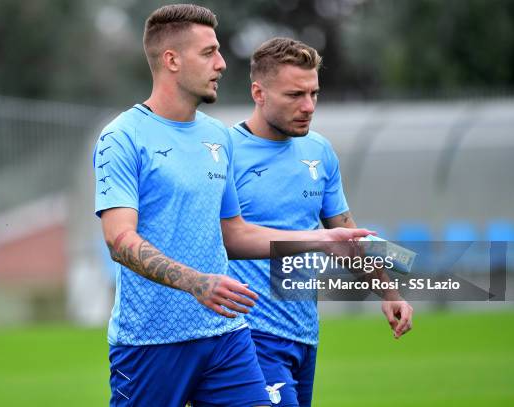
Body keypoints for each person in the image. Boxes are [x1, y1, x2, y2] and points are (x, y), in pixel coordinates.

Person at [93, 5, 374, 406]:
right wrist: (197, 282)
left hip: (226, 335)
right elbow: (119, 240)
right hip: (150, 342)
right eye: (208, 53)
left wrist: (320, 240)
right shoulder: (121, 137)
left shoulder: (216, 137)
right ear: (171, 60)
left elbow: (235, 233)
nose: (222, 64)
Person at [228, 37, 414, 406]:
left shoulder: (319, 151)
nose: (308, 106)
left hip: (303, 335)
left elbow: (345, 232)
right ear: (258, 92)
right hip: (248, 335)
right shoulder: (225, 153)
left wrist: (389, 292)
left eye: (314, 93)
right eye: (295, 95)